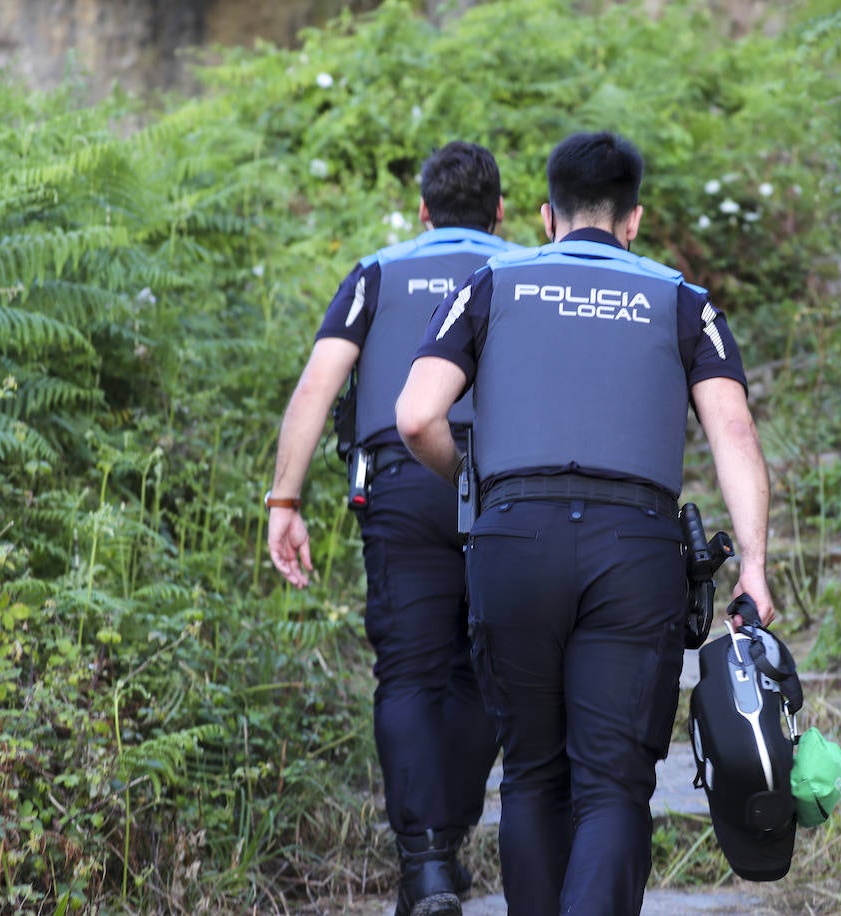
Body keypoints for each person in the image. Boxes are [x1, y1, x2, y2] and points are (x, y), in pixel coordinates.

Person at [396, 130, 775, 916]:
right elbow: (733, 433)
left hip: (513, 541)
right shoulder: (681, 300)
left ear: (545, 215)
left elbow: (414, 417)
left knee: (533, 772)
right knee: (612, 783)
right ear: (633, 220)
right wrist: (754, 567)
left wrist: (476, 484)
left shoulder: (492, 283)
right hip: (633, 553)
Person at [265, 141, 515, 916]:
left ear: (422, 211)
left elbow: (319, 384)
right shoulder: (525, 271)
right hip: (502, 490)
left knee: (407, 674)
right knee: (486, 670)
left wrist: (285, 501)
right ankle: (450, 833)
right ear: (503, 211)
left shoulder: (376, 271)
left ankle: (427, 864)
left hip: (402, 485)